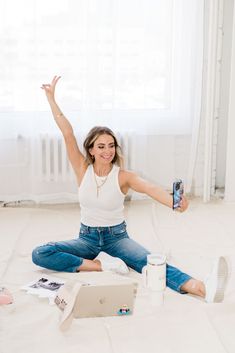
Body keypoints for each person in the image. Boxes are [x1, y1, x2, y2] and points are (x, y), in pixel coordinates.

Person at [32, 76, 228, 303]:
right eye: (101, 146)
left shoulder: (124, 177)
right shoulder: (82, 169)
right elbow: (67, 132)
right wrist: (51, 99)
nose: (108, 151)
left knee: (152, 263)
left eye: (111, 146)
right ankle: (100, 265)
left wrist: (175, 203)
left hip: (116, 238)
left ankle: (202, 288)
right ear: (91, 150)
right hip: (86, 238)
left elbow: (150, 188)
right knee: (41, 253)